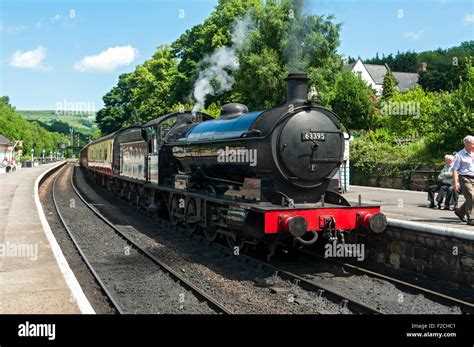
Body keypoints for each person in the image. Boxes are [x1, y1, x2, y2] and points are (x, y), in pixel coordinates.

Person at [452, 135, 474, 226]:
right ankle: (471, 219)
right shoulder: (459, 155)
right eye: (473, 143)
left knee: (471, 198)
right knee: (472, 197)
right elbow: (455, 169)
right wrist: (455, 182)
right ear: (467, 144)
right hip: (465, 178)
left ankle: (460, 212)